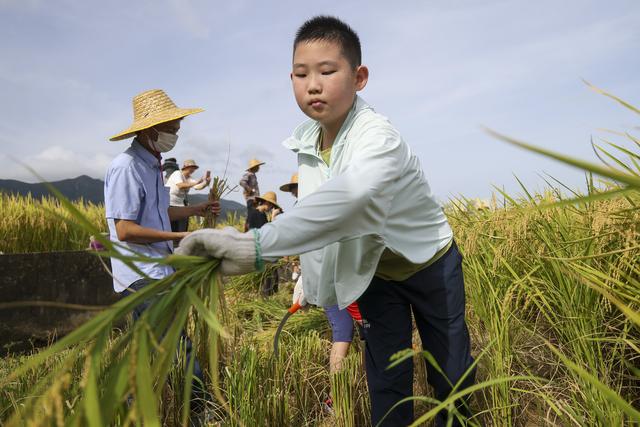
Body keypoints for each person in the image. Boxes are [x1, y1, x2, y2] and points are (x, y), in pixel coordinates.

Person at [178, 16, 474, 426]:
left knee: (453, 376)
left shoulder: (377, 137)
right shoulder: (307, 144)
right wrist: (308, 286)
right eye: (301, 74)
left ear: (360, 77)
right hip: (373, 273)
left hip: (429, 264)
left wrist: (257, 246)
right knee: (387, 383)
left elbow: (351, 198)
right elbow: (315, 217)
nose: (312, 84)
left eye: (327, 71)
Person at [105, 88, 220, 419]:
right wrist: (183, 236)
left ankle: (135, 409)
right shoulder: (126, 167)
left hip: (158, 269)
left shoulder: (152, 165)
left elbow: (157, 214)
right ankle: (201, 412)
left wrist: (197, 210)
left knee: (148, 346)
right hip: (141, 274)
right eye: (172, 126)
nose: (177, 132)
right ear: (149, 129)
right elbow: (125, 229)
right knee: (176, 343)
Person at [282, 173, 361, 412]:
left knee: (351, 333)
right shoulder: (321, 207)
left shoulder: (307, 210)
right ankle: (338, 397)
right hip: (338, 279)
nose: (296, 192)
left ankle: (354, 391)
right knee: (346, 333)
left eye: (297, 187)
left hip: (336, 277)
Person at [165, 159, 211, 232]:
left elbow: (197, 186)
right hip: (169, 203)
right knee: (170, 227)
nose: (192, 169)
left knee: (181, 228)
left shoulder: (190, 179)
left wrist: (206, 182)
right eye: (191, 167)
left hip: (180, 205)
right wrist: (197, 182)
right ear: (185, 167)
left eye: (194, 168)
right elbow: (180, 185)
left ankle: (179, 241)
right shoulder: (177, 173)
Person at [253, 191, 282, 296]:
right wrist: (273, 218)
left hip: (260, 250)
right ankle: (267, 297)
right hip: (262, 252)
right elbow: (266, 233)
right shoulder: (259, 215)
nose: (271, 209)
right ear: (268, 203)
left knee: (269, 275)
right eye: (272, 206)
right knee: (269, 276)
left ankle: (268, 296)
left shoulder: (257, 214)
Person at [239, 158, 265, 230]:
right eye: (257, 166)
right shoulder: (249, 174)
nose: (259, 168)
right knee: (251, 214)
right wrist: (249, 189)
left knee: (254, 214)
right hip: (251, 198)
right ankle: (248, 229)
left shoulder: (253, 175)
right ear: (254, 167)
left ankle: (251, 228)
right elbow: (242, 182)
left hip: (255, 199)